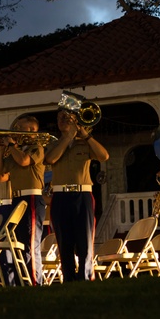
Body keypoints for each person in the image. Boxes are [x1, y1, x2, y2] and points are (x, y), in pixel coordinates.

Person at [45, 107, 109, 282]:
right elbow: (50, 159)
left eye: (67, 117)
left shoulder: (85, 143)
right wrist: (68, 138)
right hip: (60, 196)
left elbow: (104, 156)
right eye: (59, 118)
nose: (63, 120)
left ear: (76, 119)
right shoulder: (53, 144)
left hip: (82, 195)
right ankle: (69, 279)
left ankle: (86, 277)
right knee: (64, 242)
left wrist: (85, 134)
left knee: (85, 241)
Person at [0, 115, 46, 286]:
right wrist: (1, 151)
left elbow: (24, 161)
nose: (31, 133)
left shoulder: (36, 147)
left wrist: (11, 145)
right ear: (16, 128)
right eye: (26, 129)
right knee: (19, 243)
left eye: (33, 130)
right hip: (16, 199)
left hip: (32, 198)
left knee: (31, 243)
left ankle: (35, 282)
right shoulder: (16, 151)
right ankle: (21, 281)